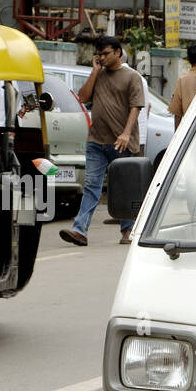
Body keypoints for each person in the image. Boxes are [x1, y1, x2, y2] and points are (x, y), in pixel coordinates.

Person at [59, 36, 146, 247]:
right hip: (96, 141)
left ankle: (128, 230)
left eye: (105, 53)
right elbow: (83, 97)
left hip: (120, 143)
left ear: (118, 52)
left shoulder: (131, 77)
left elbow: (136, 107)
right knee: (91, 186)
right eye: (98, 54)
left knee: (124, 188)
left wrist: (126, 134)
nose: (101, 58)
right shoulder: (98, 75)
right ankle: (79, 230)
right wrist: (95, 71)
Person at [168, 42, 196, 130]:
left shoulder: (182, 80)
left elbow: (177, 114)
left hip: (189, 131)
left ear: (188, 59)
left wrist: (177, 136)